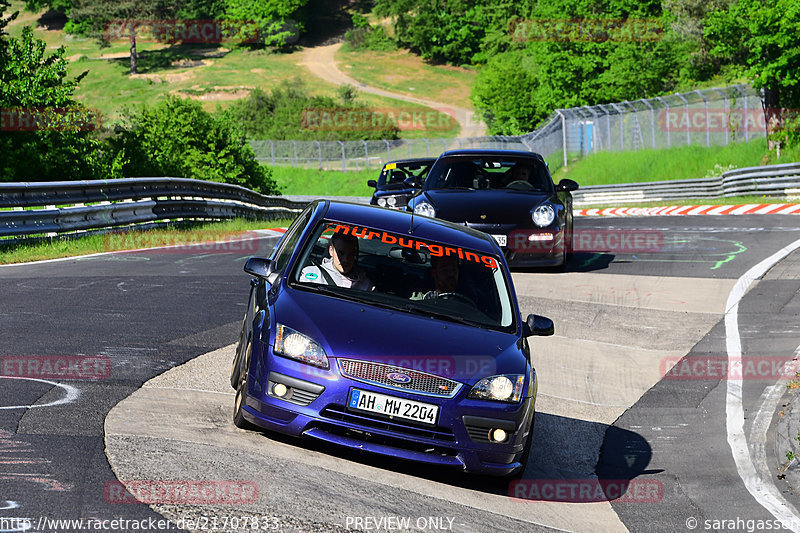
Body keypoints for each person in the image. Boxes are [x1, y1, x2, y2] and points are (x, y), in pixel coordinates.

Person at [299, 232, 374, 291]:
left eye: (350, 254)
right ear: (331, 251)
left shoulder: (366, 285)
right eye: (341, 253)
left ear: (355, 254)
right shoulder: (312, 274)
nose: (345, 259)